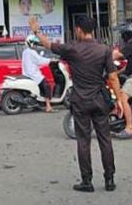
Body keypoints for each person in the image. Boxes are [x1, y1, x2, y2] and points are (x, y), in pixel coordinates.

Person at [29, 15, 119, 193]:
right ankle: (109, 180)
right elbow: (113, 77)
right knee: (105, 140)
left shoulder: (72, 49)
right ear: (92, 30)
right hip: (100, 100)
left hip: (81, 101)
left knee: (83, 141)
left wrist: (36, 31)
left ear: (78, 29)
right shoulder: (104, 50)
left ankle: (87, 181)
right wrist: (118, 100)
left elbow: (48, 45)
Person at [22, 35, 56, 112]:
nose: (36, 46)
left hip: (27, 73)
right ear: (30, 43)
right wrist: (51, 60)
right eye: (35, 44)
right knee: (47, 86)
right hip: (33, 74)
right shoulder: (32, 52)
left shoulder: (25, 51)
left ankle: (37, 103)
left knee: (42, 86)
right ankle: (48, 106)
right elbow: (40, 60)